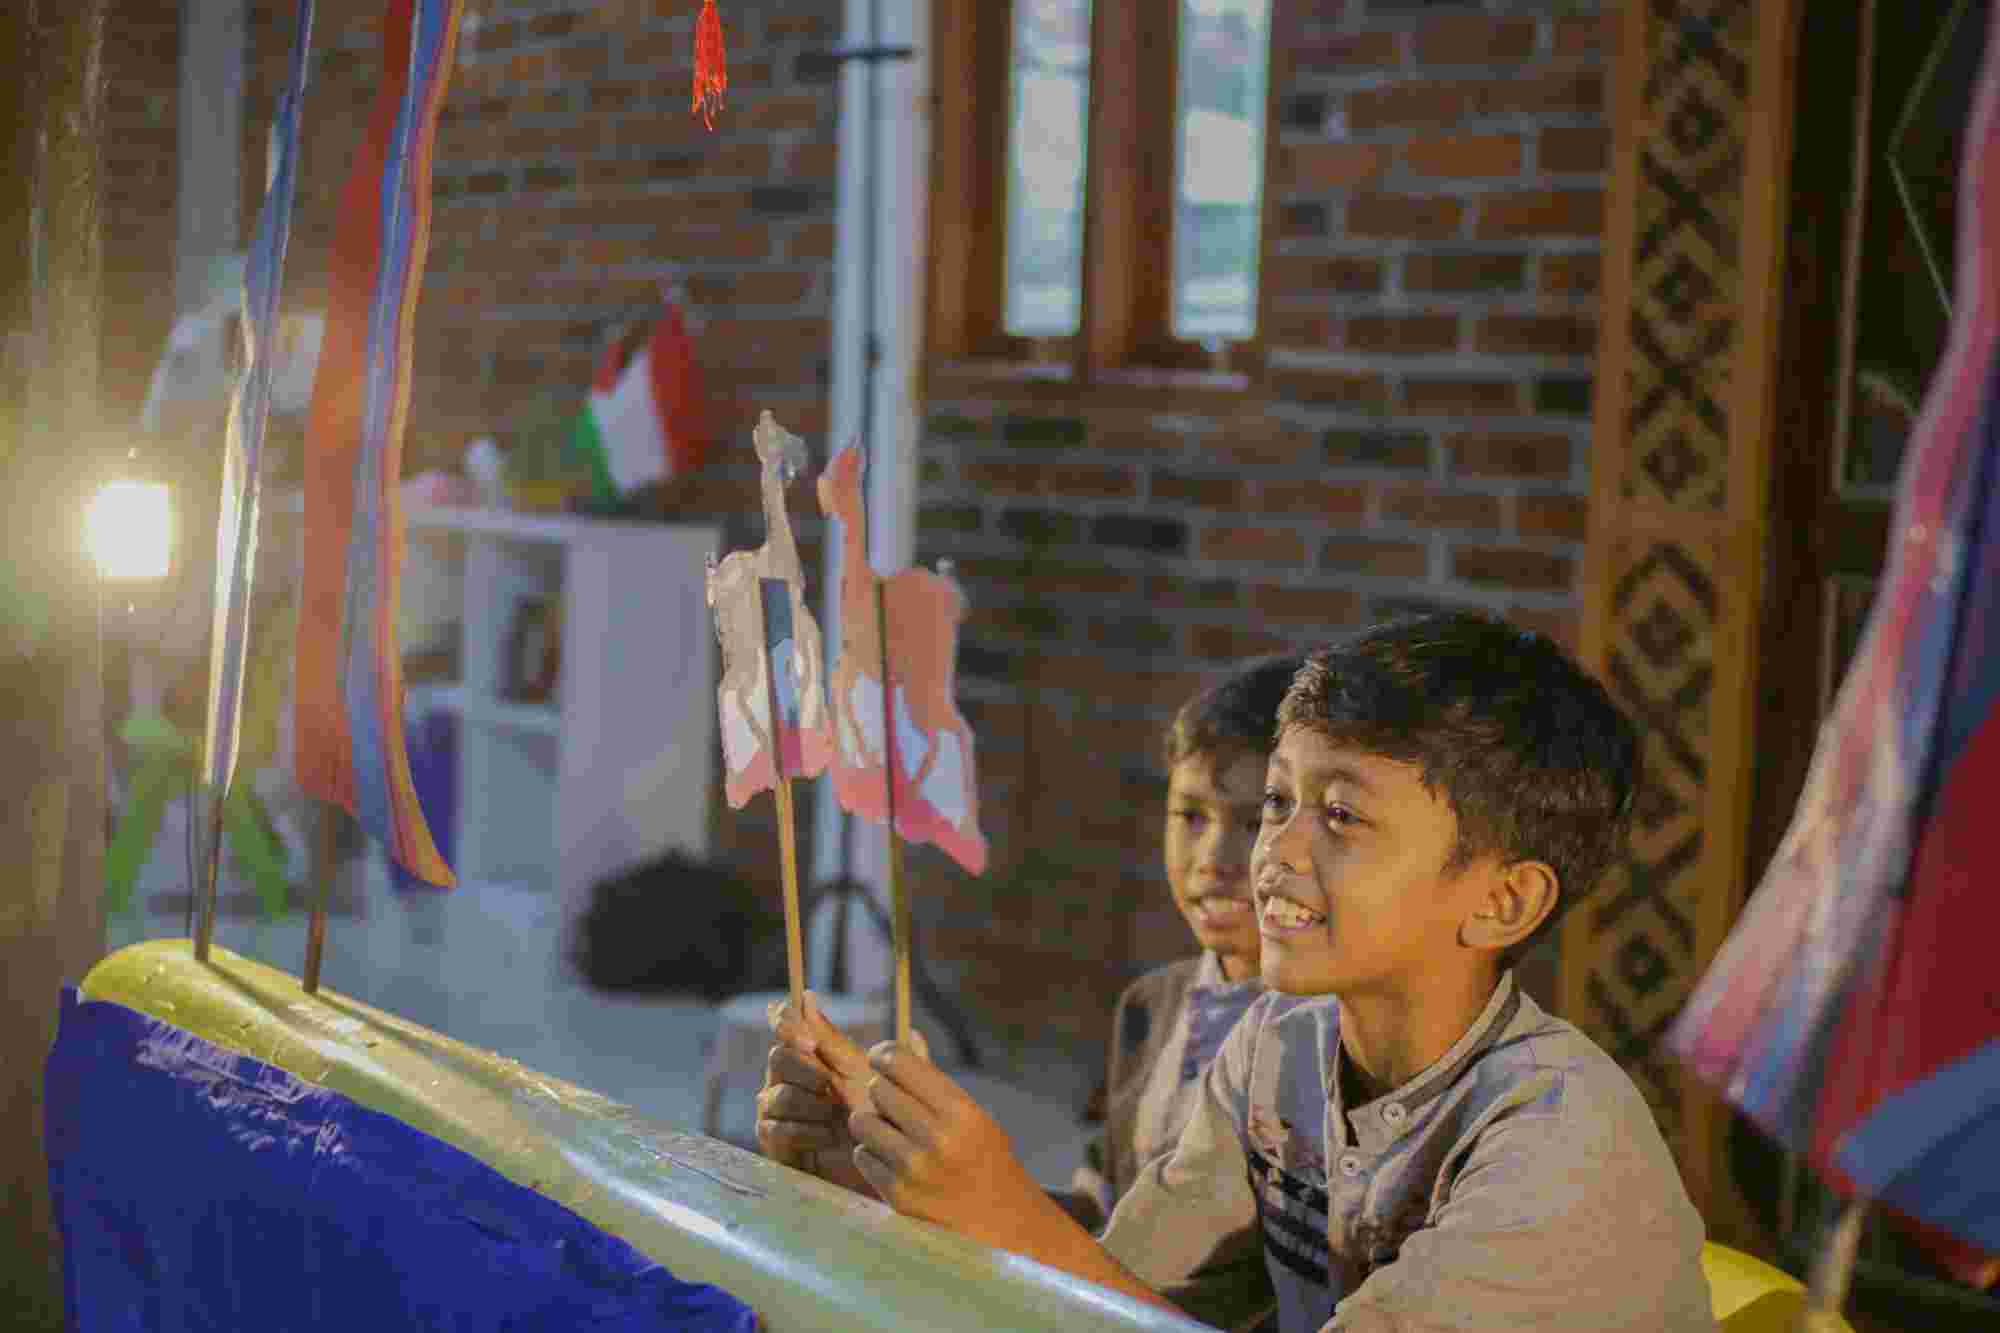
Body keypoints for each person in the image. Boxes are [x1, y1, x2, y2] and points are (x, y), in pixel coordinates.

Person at [758, 611, 1714, 1332]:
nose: (1273, 852)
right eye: (1280, 801)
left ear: (1503, 900)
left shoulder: (1558, 1143)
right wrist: (895, 1182)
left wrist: (1001, 1210)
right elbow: (1122, 1297)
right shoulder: (1281, 1043)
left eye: (1341, 815)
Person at [761, 656, 1299, 1245]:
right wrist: (889, 1169)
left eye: (1254, 822)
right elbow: (1103, 1228)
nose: (1214, 859)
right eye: (1191, 815)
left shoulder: (1326, 1037)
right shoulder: (1153, 1007)